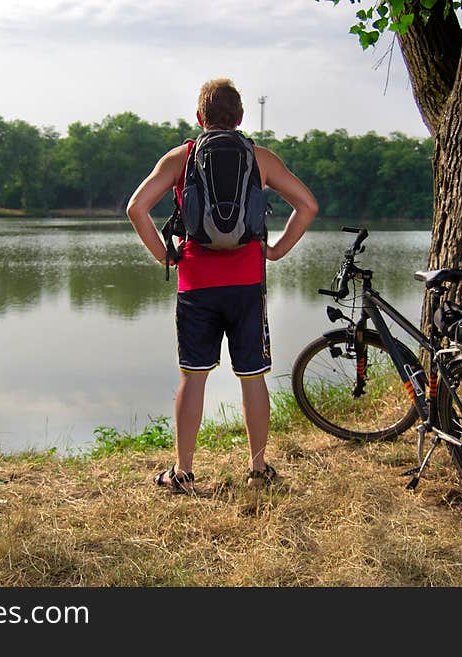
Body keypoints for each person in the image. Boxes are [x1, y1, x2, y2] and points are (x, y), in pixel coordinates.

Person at [126, 78, 318, 493]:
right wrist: (279, 249)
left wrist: (165, 255)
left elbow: (136, 208)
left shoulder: (181, 157)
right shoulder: (261, 158)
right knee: (252, 376)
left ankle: (183, 473)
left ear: (199, 117)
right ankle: (258, 469)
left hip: (195, 283)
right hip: (247, 282)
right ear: (241, 118)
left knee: (193, 377)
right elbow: (308, 205)